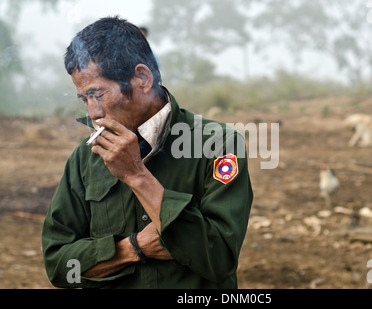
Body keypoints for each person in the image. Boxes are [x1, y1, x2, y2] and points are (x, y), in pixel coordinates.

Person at [41, 16, 253, 289]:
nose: (93, 113)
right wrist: (132, 248)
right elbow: (59, 267)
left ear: (142, 78)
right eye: (84, 99)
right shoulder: (85, 158)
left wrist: (137, 176)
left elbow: (220, 259)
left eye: (98, 94)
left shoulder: (218, 144)